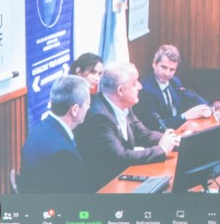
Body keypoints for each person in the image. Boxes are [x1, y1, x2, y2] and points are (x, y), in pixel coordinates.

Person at [75, 61, 180, 190]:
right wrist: (162, 150)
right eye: (135, 83)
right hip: (105, 189)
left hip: (122, 177)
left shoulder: (123, 106)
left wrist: (174, 141)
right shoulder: (98, 117)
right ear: (120, 90)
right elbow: (120, 158)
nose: (140, 87)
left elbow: (143, 134)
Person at [18, 75, 90, 193]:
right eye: (87, 104)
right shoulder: (64, 154)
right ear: (75, 109)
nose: (88, 108)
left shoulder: (39, 129)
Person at [134, 44, 212, 132]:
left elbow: (192, 97)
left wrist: (207, 108)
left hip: (178, 130)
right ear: (154, 64)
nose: (167, 73)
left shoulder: (174, 81)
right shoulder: (145, 90)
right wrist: (185, 116)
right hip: (160, 136)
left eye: (172, 70)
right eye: (163, 67)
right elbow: (156, 126)